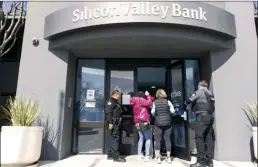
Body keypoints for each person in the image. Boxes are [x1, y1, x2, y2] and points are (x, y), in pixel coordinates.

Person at [186, 80, 215, 167]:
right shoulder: (210, 93)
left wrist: (185, 102)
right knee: (209, 138)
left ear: (199, 85)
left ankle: (200, 162)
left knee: (199, 138)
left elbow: (189, 100)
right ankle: (209, 162)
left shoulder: (199, 92)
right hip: (210, 117)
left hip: (201, 117)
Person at [151, 89, 175, 164]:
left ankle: (158, 158)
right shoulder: (168, 102)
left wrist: (156, 115)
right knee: (167, 139)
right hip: (167, 123)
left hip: (158, 123)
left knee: (157, 140)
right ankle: (168, 158)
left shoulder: (154, 102)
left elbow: (152, 112)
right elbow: (172, 111)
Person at [130, 91, 153, 162]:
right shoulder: (141, 100)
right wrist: (148, 95)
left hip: (137, 122)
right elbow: (149, 103)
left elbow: (135, 113)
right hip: (144, 121)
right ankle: (147, 155)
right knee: (148, 138)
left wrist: (136, 122)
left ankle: (139, 155)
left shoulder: (133, 100)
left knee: (141, 138)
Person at [105, 90, 126, 162]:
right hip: (113, 123)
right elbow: (108, 113)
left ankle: (110, 154)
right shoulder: (110, 102)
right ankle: (116, 157)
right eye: (119, 95)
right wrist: (110, 123)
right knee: (115, 138)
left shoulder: (115, 102)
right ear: (116, 94)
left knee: (112, 138)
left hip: (116, 122)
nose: (120, 97)